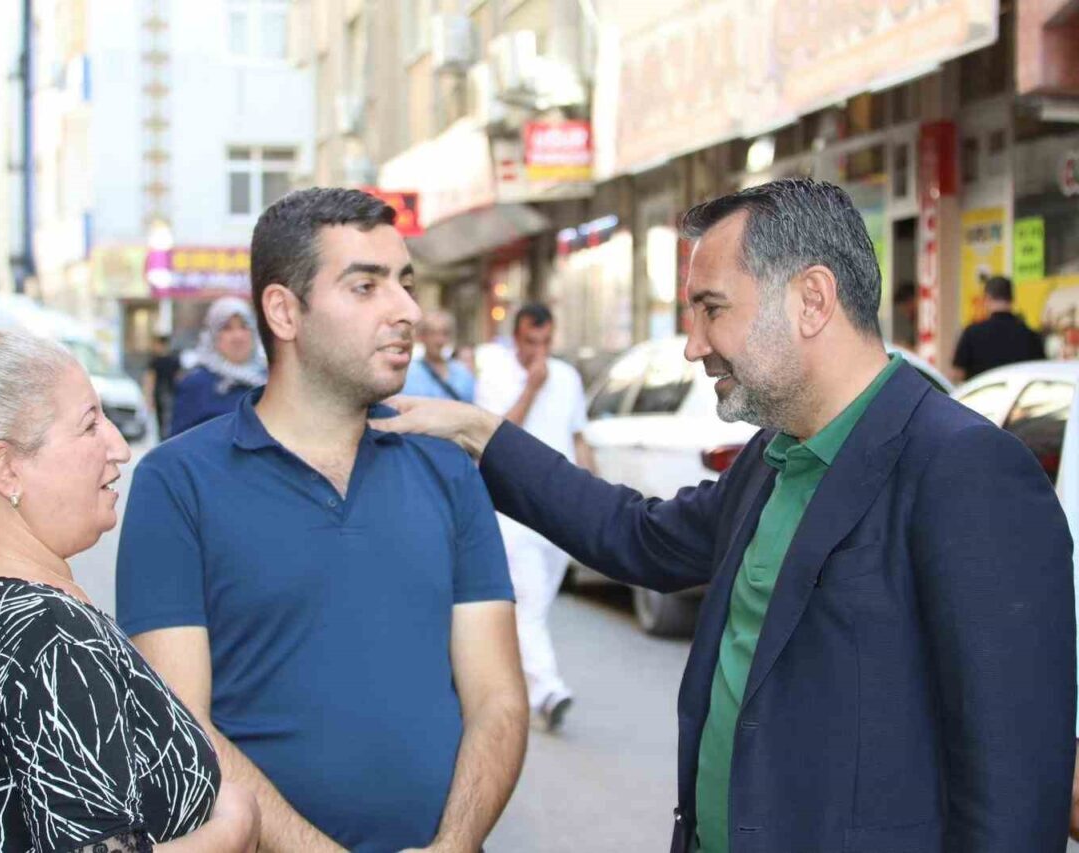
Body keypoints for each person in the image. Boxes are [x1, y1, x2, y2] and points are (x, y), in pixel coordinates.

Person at [371, 178, 1076, 853]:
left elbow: (1014, 786)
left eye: (712, 308)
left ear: (811, 299)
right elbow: (634, 535)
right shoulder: (772, 459)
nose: (693, 344)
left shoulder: (965, 470)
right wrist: (478, 433)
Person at [116, 188, 527, 853]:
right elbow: (179, 722)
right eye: (366, 286)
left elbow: (497, 698)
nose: (407, 310)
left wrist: (455, 842)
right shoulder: (176, 483)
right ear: (284, 310)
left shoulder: (446, 472)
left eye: (405, 283)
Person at [0, 329, 258, 853]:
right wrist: (234, 827)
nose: (120, 447)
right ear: (5, 468)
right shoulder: (43, 635)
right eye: (89, 425)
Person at [472, 302, 593, 732]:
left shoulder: (569, 377)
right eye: (529, 342)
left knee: (536, 604)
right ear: (515, 337)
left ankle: (513, 681)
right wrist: (531, 388)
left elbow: (579, 435)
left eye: (545, 342)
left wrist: (590, 491)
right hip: (514, 509)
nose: (537, 351)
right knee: (529, 601)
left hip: (560, 507)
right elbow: (494, 435)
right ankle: (548, 689)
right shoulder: (497, 374)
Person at [169, 297, 267, 437]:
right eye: (227, 328)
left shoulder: (272, 381)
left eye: (244, 326)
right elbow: (176, 447)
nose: (238, 336)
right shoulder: (196, 385)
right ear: (213, 335)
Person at [952, 275, 1045, 382]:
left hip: (980, 396)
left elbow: (957, 375)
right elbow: (1041, 374)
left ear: (987, 298)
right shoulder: (1031, 336)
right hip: (1018, 397)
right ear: (1012, 299)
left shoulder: (972, 333)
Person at [401, 309, 475, 401]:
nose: (439, 340)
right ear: (421, 336)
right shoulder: (408, 373)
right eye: (433, 333)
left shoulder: (462, 373)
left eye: (445, 333)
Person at [144, 335, 181, 439]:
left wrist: (149, 397)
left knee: (161, 421)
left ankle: (163, 440)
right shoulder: (174, 360)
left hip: (160, 392)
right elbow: (179, 378)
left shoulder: (155, 361)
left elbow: (150, 380)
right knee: (170, 419)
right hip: (172, 392)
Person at [891, 280, 916, 349]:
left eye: (905, 306)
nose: (906, 314)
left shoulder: (924, 321)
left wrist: (905, 347)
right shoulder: (914, 321)